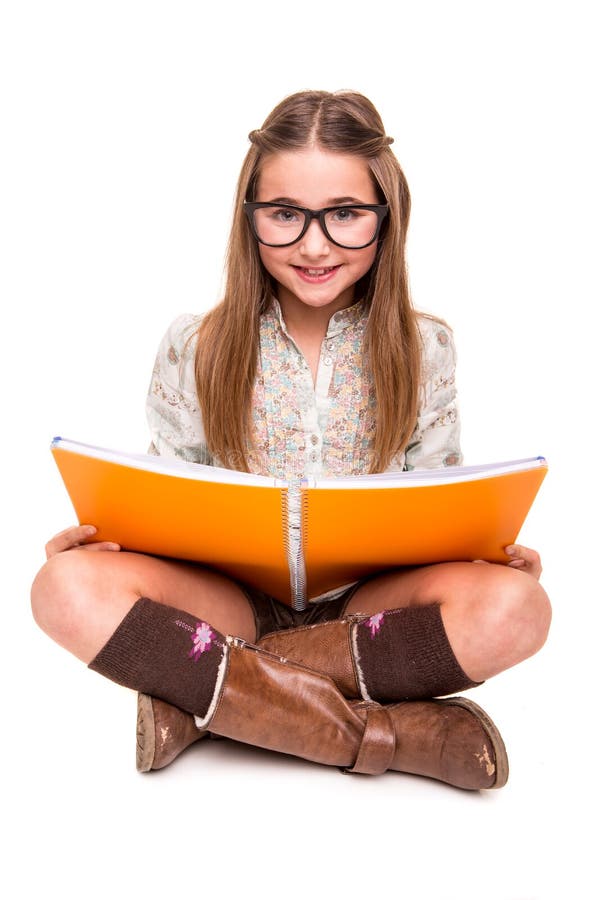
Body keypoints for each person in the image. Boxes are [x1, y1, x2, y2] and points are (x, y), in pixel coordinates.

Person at [31, 90, 551, 789]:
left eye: (344, 215)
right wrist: (105, 542)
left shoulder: (425, 347)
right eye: (284, 216)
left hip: (369, 604)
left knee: (519, 608)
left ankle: (208, 699)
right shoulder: (199, 343)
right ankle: (393, 736)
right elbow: (168, 495)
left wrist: (489, 558)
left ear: (385, 219)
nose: (313, 244)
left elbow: (440, 494)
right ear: (250, 221)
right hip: (231, 602)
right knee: (62, 588)